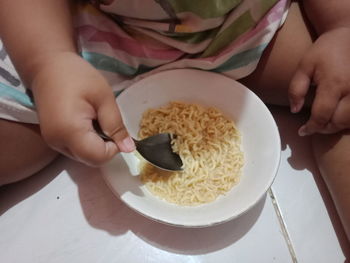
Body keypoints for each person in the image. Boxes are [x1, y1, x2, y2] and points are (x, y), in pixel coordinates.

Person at [0, 0, 349, 241]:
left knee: (336, 94)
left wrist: (340, 24)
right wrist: (47, 64)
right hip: (93, 33)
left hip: (246, 24)